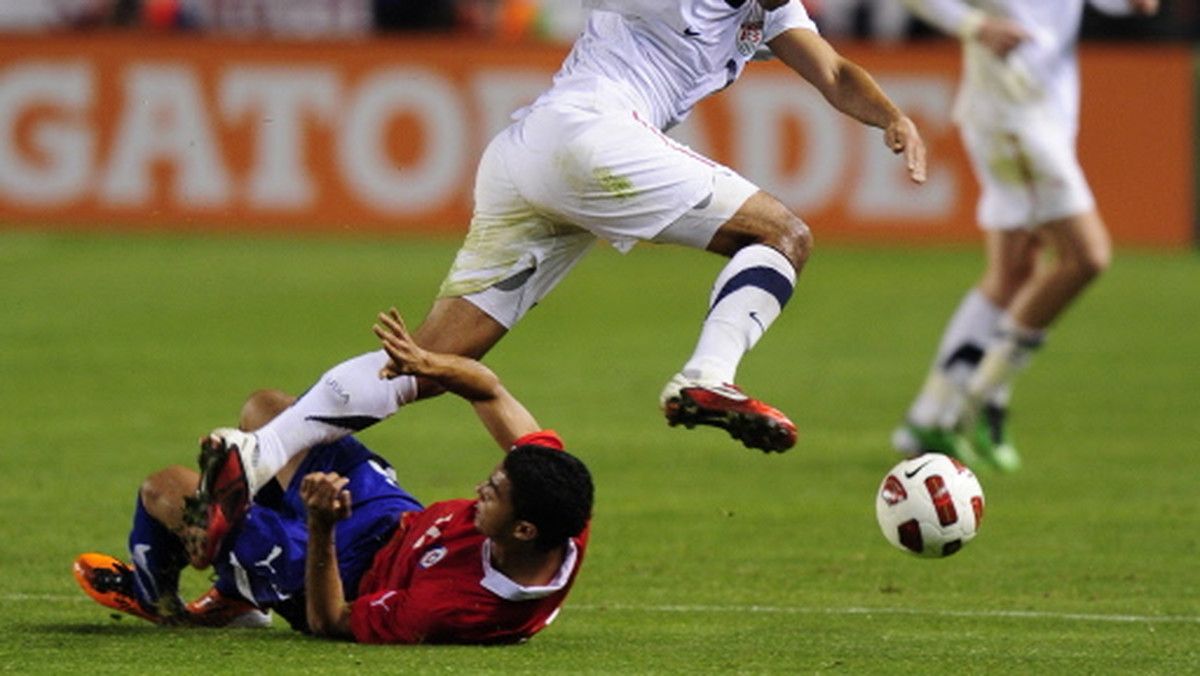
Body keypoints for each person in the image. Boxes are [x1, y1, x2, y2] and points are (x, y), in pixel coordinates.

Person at [188, 0, 927, 560]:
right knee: (783, 236)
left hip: (532, 155)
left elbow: (833, 71)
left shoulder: (764, 11)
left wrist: (891, 116)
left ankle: (254, 455)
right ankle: (708, 375)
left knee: (435, 362)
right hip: (590, 138)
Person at [74, 308, 595, 645]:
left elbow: (333, 621)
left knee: (166, 488)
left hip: (337, 574)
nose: (480, 488)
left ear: (524, 530)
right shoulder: (560, 502)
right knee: (267, 410)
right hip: (389, 517)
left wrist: (322, 524)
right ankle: (236, 578)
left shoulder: (457, 608)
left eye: (494, 492)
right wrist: (428, 363)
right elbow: (488, 390)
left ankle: (162, 598)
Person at [893, 0, 1159, 472]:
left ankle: (928, 417)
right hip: (1014, 115)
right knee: (1087, 256)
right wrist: (975, 25)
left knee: (1013, 273)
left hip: (1044, 112)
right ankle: (984, 393)